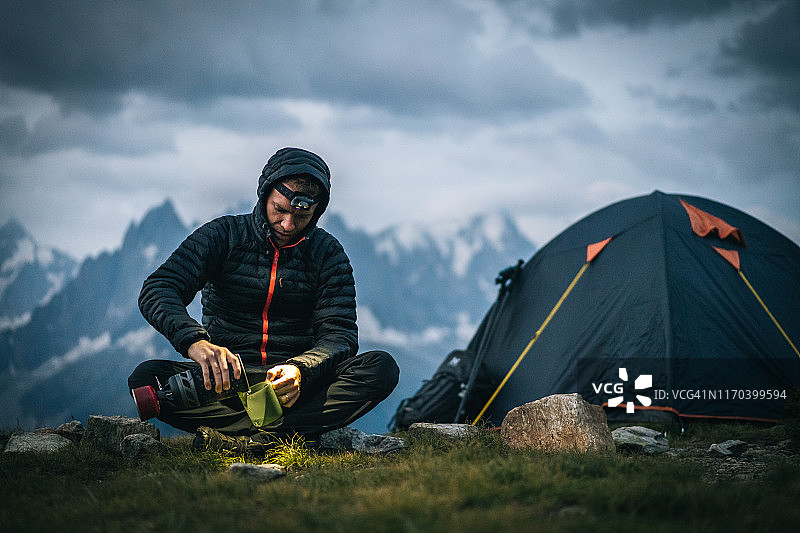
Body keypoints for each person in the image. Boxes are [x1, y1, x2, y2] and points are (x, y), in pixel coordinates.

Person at [128, 147, 399, 453]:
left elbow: (340, 335)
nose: (287, 224)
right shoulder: (223, 236)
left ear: (317, 212)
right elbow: (159, 288)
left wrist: (301, 369)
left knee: (381, 368)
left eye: (302, 215)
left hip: (294, 388)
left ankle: (247, 440)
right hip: (225, 382)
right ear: (264, 194)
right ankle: (282, 436)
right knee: (145, 378)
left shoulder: (328, 253)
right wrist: (196, 344)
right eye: (279, 209)